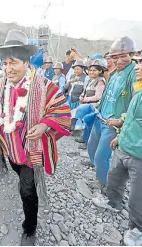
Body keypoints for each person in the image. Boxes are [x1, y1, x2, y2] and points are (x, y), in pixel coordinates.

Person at [0, 29, 71, 245]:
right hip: (10, 148)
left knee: (27, 190)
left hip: (31, 153)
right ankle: (22, 182)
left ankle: (29, 228)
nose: (8, 68)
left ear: (26, 62)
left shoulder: (45, 86)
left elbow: (62, 111)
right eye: (5, 63)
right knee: (17, 173)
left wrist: (43, 124)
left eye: (13, 62)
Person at [92, 62, 142, 246]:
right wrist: (120, 136)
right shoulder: (139, 91)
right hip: (125, 146)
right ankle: (113, 202)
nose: (137, 67)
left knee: (138, 195)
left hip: (139, 154)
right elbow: (130, 116)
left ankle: (137, 229)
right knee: (114, 178)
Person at [87, 36, 137, 187]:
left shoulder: (134, 74)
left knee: (102, 156)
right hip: (100, 118)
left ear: (132, 55)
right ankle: (99, 174)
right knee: (91, 147)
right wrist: (98, 106)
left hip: (112, 124)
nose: (119, 61)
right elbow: (107, 94)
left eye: (124, 56)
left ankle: (107, 187)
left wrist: (122, 121)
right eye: (115, 57)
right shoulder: (115, 73)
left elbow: (136, 103)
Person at [70, 59, 107, 145]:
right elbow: (85, 90)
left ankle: (88, 143)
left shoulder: (100, 81)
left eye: (94, 70)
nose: (91, 72)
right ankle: (84, 138)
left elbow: (98, 96)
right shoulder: (91, 80)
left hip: (94, 106)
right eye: (90, 70)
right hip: (87, 104)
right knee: (86, 123)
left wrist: (85, 99)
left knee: (91, 124)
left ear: (100, 71)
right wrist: (81, 96)